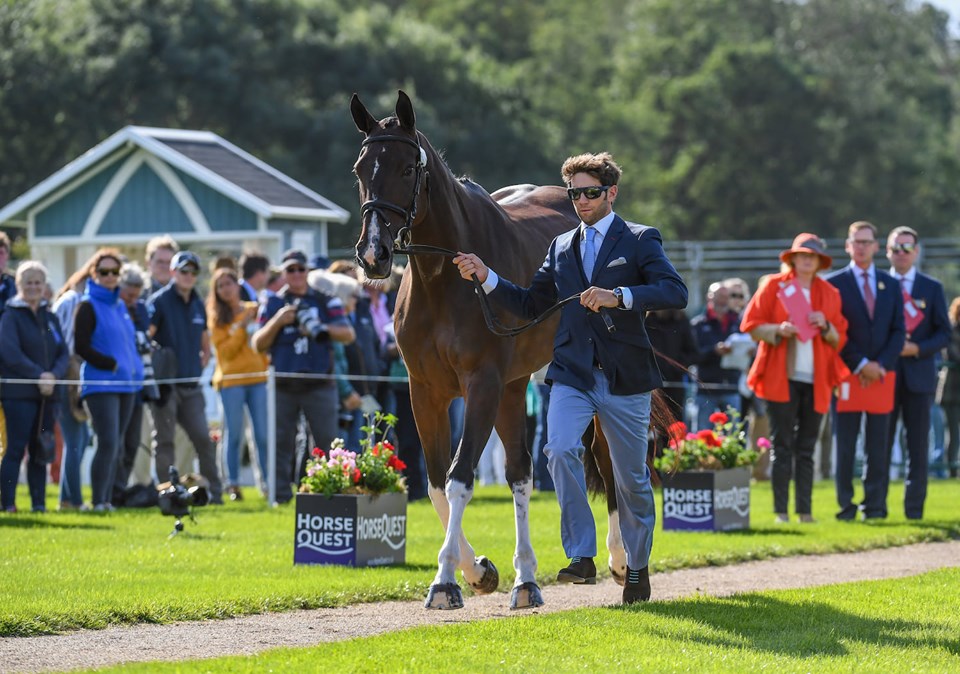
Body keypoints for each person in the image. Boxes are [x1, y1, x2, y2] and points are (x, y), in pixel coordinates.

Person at [453, 151, 688, 604]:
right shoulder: (560, 246)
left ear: (611, 193)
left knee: (631, 479)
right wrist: (486, 278)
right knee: (558, 450)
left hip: (625, 379)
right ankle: (581, 554)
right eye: (575, 193)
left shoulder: (640, 239)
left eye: (591, 192)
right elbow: (528, 304)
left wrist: (619, 295)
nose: (581, 200)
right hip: (572, 375)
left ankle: (636, 568)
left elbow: (673, 291)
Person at [740, 234, 849, 523]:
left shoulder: (830, 293)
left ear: (819, 262)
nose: (807, 260)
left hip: (818, 379)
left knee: (807, 447)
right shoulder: (774, 286)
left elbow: (839, 338)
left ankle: (805, 511)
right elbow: (750, 324)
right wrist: (778, 329)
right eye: (802, 255)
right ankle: (780, 512)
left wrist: (825, 326)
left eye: (812, 256)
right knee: (782, 444)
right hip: (781, 377)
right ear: (793, 258)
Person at [252, 249, 354, 503]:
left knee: (327, 443)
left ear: (308, 271)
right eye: (290, 270)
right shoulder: (273, 303)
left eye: (301, 269)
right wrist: (277, 322)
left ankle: (329, 495)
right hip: (283, 384)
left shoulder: (326, 299)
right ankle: (280, 498)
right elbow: (257, 344)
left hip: (319, 382)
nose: (296, 274)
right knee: (280, 443)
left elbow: (347, 333)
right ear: (283, 273)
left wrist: (319, 328)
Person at [827, 221, 905, 521]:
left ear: (876, 246)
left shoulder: (891, 284)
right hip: (846, 375)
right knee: (845, 444)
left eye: (867, 242)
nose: (861, 247)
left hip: (882, 376)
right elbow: (836, 331)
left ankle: (875, 506)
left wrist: (880, 364)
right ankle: (846, 506)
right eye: (856, 242)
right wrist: (860, 364)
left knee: (878, 444)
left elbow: (898, 331)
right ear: (848, 246)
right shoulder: (834, 283)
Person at [883, 226, 950, 519]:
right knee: (879, 444)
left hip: (918, 376)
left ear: (916, 252)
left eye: (906, 248)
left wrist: (918, 349)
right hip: (882, 375)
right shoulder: (879, 284)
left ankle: (914, 511)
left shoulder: (931, 287)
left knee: (918, 446)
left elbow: (944, 334)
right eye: (896, 248)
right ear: (887, 251)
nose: (901, 253)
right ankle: (875, 508)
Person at [147, 250, 223, 503]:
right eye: (183, 271)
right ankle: (166, 495)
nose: (188, 276)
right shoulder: (158, 301)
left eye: (193, 272)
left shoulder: (197, 301)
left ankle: (214, 494)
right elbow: (147, 338)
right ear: (173, 272)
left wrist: (204, 355)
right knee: (165, 442)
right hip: (165, 387)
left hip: (191, 386)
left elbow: (204, 338)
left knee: (204, 439)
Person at [74, 248, 143, 512]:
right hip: (101, 385)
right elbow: (80, 346)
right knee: (108, 442)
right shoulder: (87, 305)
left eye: (115, 272)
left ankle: (108, 498)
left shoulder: (121, 306)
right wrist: (110, 364)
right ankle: (98, 501)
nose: (111, 276)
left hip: (127, 385)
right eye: (105, 271)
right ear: (95, 273)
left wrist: (132, 370)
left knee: (119, 443)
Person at [0, 261, 69, 512]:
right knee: (16, 450)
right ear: (19, 285)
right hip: (18, 395)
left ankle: (39, 504)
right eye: (28, 282)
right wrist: (39, 375)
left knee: (41, 450)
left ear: (44, 286)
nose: (33, 287)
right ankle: (7, 503)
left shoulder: (50, 317)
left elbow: (63, 352)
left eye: (37, 282)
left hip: (48, 396)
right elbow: (10, 353)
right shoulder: (10, 316)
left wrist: (54, 375)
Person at [207, 267, 270, 500]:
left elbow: (262, 345)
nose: (226, 289)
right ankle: (232, 484)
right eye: (220, 286)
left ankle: (266, 483)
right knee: (233, 435)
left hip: (258, 380)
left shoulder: (254, 310)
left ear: (237, 285)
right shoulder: (216, 318)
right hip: (231, 381)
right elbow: (226, 353)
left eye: (228, 283)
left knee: (262, 435)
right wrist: (241, 328)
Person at [51, 254, 99, 510]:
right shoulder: (71, 301)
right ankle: (75, 501)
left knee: (80, 438)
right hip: (66, 375)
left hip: (77, 373)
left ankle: (66, 500)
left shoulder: (87, 302)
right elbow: (53, 338)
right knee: (74, 439)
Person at [114, 263, 152, 505]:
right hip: (115, 386)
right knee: (113, 443)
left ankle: (119, 492)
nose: (132, 300)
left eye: (137, 296)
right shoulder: (113, 309)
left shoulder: (141, 311)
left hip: (137, 386)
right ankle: (108, 492)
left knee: (131, 443)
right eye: (129, 295)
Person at [691, 282, 743, 429]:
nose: (723, 300)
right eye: (719, 296)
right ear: (709, 297)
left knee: (733, 436)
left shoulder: (738, 323)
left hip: (732, 386)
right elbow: (692, 356)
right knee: (702, 435)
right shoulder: (698, 325)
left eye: (727, 296)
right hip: (705, 389)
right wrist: (713, 351)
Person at [939, 297, 960, 478]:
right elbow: (953, 355)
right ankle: (952, 470)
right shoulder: (951, 331)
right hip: (952, 391)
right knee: (952, 432)